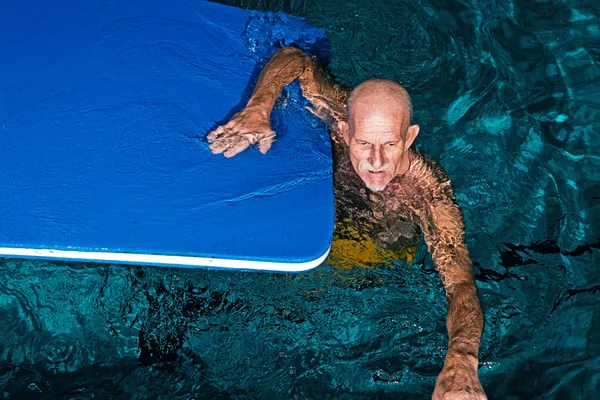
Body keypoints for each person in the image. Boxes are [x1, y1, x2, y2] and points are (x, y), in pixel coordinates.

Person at [207, 46, 487, 400]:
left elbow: (460, 283)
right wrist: (259, 107)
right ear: (344, 129)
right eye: (364, 143)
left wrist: (461, 360)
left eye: (390, 144)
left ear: (410, 137)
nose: (376, 161)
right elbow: (294, 58)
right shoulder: (339, 115)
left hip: (380, 250)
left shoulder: (429, 195)